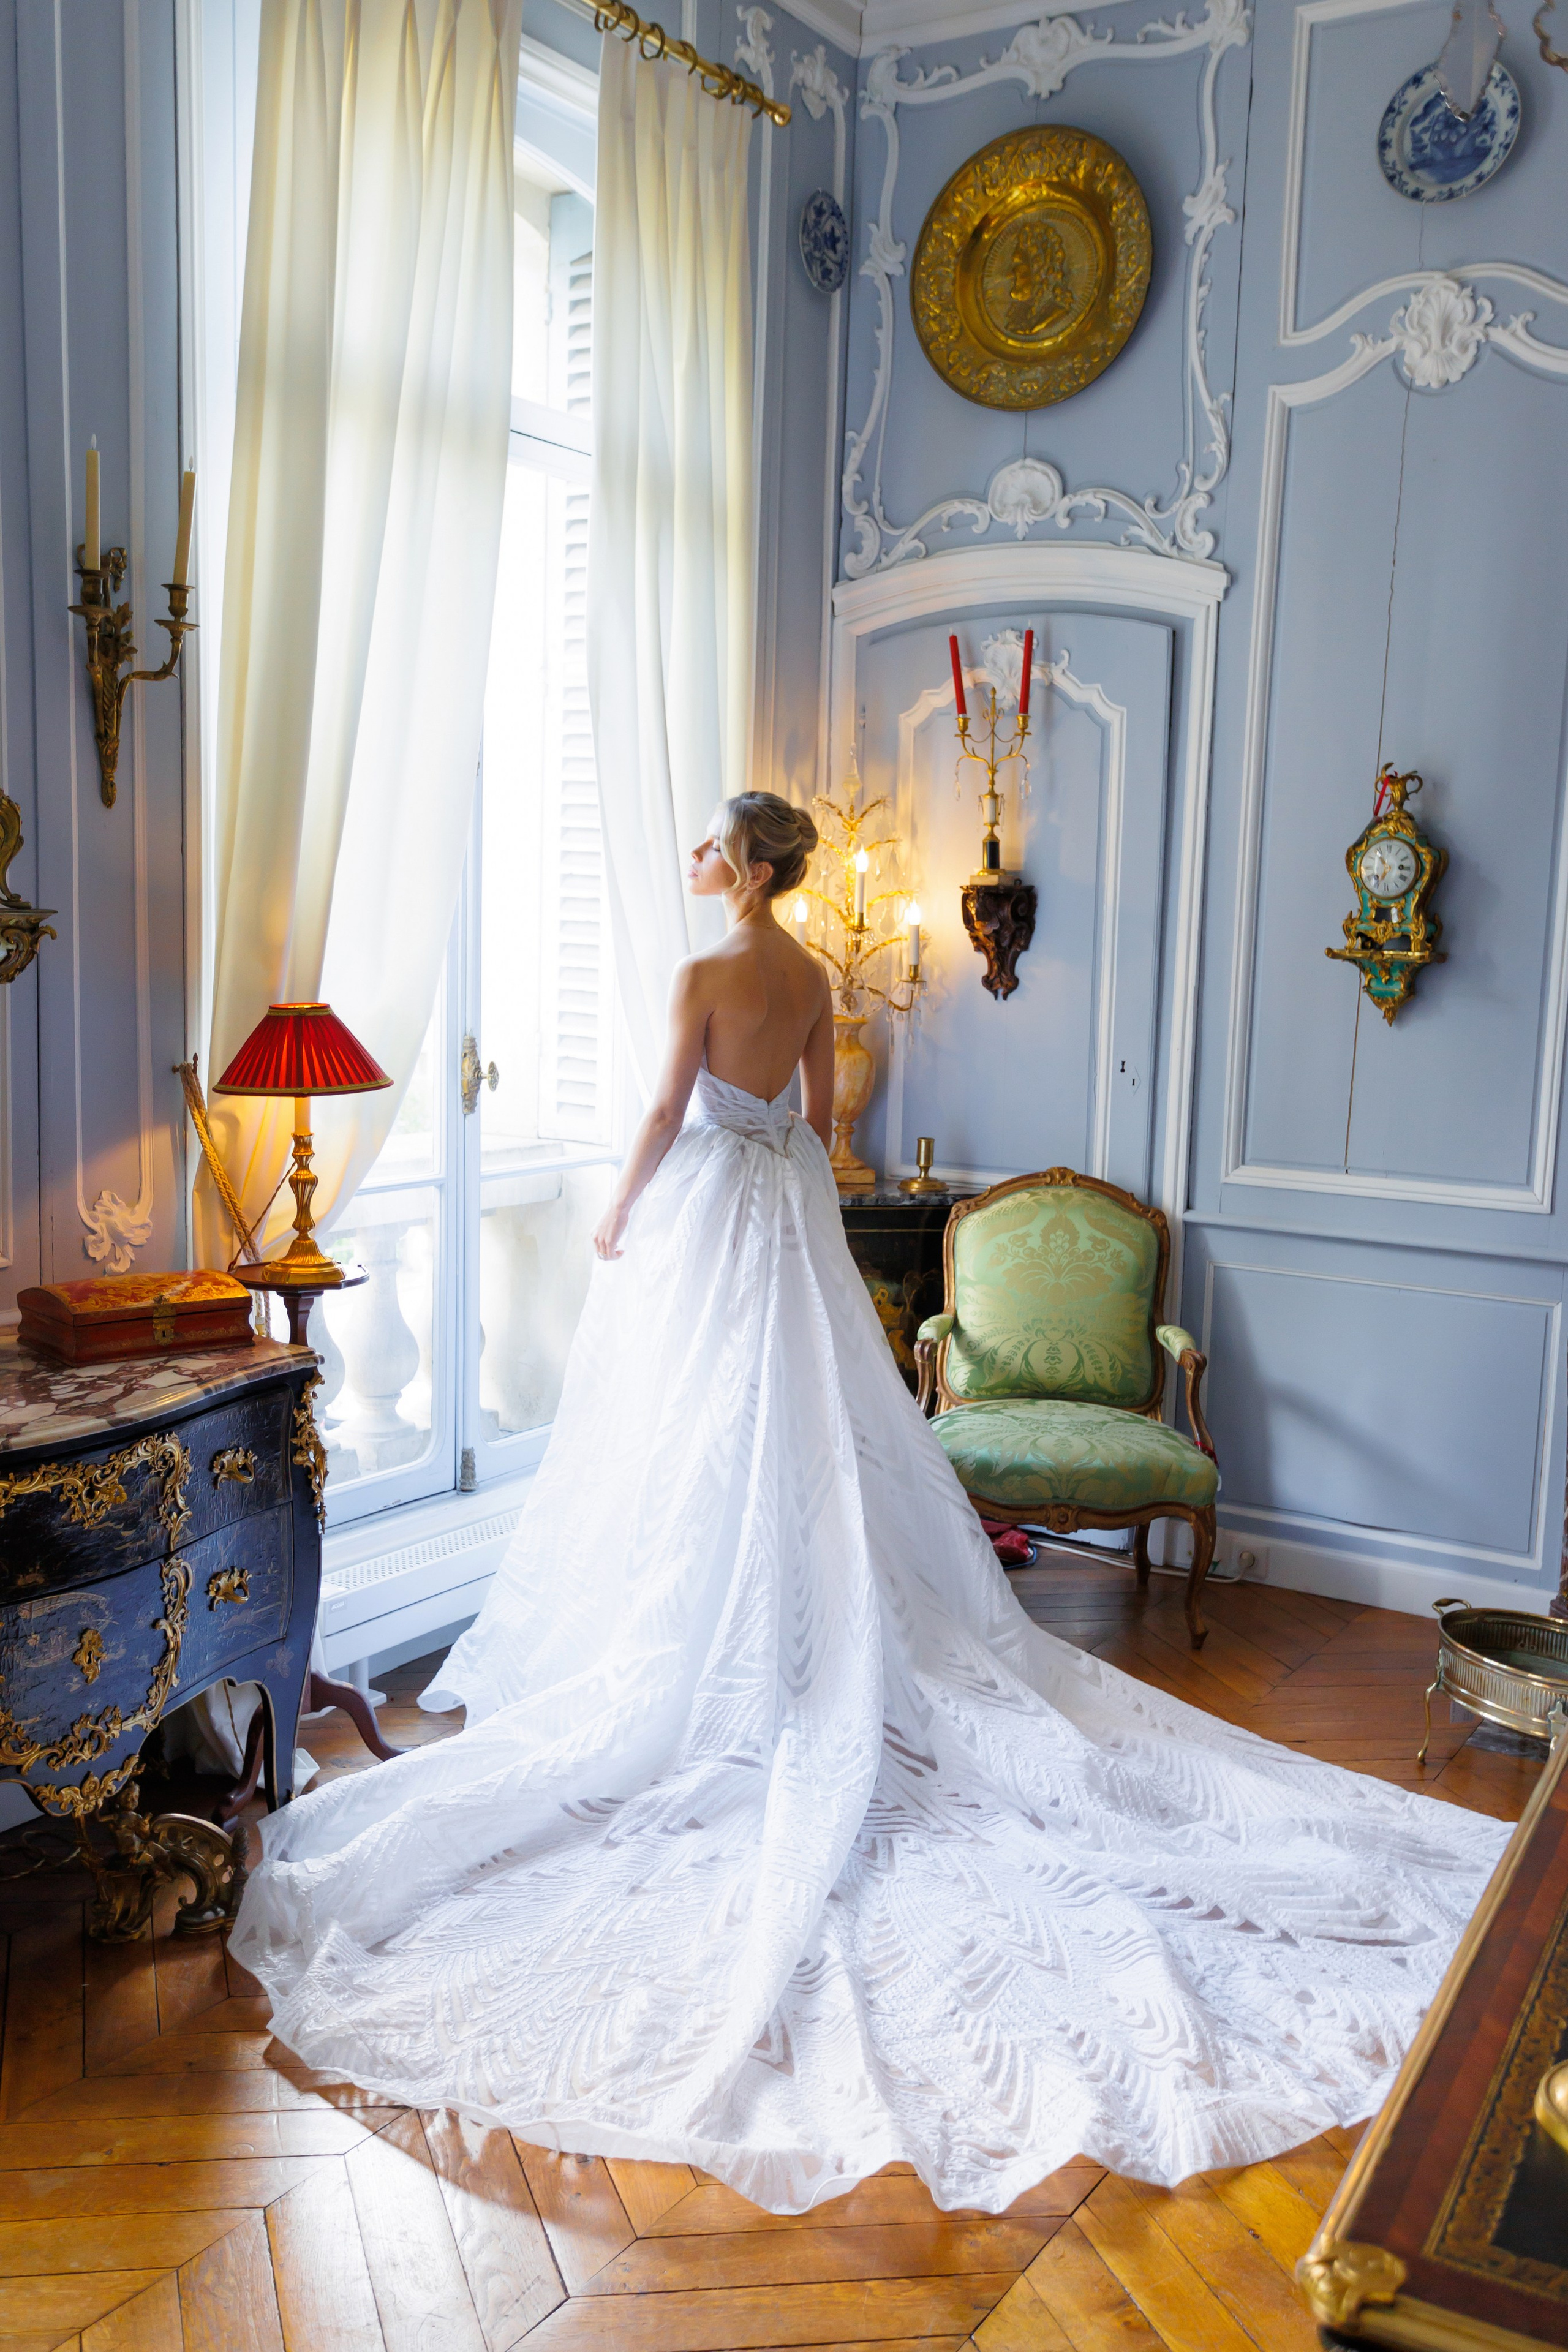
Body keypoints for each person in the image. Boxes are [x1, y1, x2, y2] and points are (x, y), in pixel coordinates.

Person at [232, 791, 1508, 2217]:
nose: (695, 858)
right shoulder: (811, 980)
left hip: (716, 1209)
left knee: (705, 1437)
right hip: (786, 1215)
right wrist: (775, 1161)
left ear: (751, 863)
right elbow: (824, 1120)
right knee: (809, 1441)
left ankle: (734, 1645)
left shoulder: (704, 973)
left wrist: (615, 1211)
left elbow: (664, 1107)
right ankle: (794, 1629)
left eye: (710, 843)